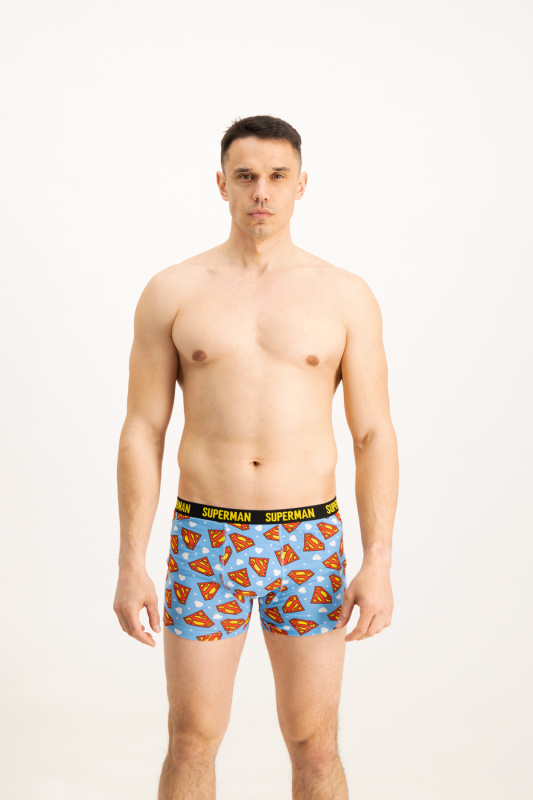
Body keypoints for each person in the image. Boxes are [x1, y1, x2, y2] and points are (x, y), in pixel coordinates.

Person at [113, 114, 399, 800]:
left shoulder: (344, 295)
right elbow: (142, 430)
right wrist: (130, 560)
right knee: (191, 739)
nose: (260, 192)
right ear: (221, 184)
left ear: (302, 184)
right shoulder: (174, 290)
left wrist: (378, 560)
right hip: (206, 537)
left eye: (276, 176)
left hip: (308, 539)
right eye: (245, 177)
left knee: (314, 743)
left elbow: (373, 435)